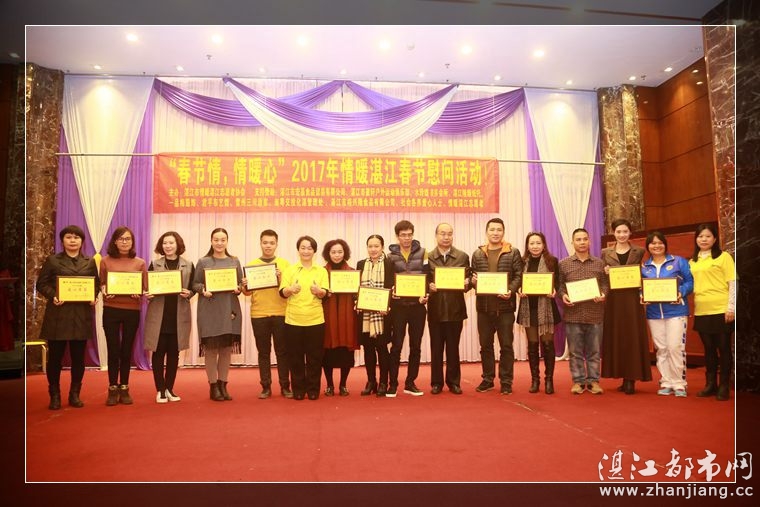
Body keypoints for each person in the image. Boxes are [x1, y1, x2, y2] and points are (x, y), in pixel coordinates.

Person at [36, 225, 99, 410]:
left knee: (79, 359)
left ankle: (74, 394)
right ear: (62, 240)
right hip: (58, 316)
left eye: (76, 237)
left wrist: (93, 296)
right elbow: (41, 284)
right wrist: (53, 295)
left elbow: (96, 284)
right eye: (69, 237)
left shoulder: (89, 262)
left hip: (81, 316)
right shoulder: (53, 260)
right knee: (55, 359)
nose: (72, 240)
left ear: (82, 241)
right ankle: (54, 395)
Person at [471, 217, 523, 395]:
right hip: (484, 308)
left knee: (506, 346)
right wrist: (473, 281)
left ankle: (506, 381)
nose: (495, 233)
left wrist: (511, 290)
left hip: (505, 308)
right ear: (486, 232)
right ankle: (488, 379)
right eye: (492, 229)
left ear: (503, 232)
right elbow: (473, 279)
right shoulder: (478, 254)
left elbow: (519, 275)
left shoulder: (512, 252)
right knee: (485, 346)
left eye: (499, 230)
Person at [600, 219, 652, 395]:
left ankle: (631, 379)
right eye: (618, 232)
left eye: (625, 231)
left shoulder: (640, 251)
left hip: (632, 299)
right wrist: (605, 272)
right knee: (617, 337)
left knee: (632, 336)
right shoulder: (605, 252)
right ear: (613, 233)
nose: (622, 235)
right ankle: (621, 375)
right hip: (614, 300)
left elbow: (646, 274)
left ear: (630, 233)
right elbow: (601, 278)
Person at [192, 228, 244, 402]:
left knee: (226, 350)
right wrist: (203, 290)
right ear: (211, 241)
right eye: (216, 239)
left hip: (229, 309)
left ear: (227, 241)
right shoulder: (203, 261)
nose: (219, 243)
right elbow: (195, 284)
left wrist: (239, 288)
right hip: (209, 309)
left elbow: (240, 285)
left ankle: (223, 385)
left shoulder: (234, 261)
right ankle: (213, 386)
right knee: (211, 350)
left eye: (223, 240)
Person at [143, 231, 195, 404]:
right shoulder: (154, 264)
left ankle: (169, 389)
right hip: (159, 315)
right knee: (158, 353)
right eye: (165, 243)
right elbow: (148, 287)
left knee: (174, 354)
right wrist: (148, 294)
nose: (168, 246)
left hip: (178, 316)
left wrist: (190, 293)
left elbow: (193, 287)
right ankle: (160, 390)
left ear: (178, 245)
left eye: (171, 243)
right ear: (161, 245)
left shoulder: (188, 265)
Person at [641, 231, 693, 397]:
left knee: (675, 347)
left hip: (676, 312)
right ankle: (666, 381)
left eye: (660, 242)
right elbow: (640, 287)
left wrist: (680, 292)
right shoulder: (644, 267)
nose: (656, 246)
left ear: (665, 244)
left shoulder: (678, 261)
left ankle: (679, 383)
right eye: (653, 243)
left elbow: (690, 282)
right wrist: (642, 295)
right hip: (654, 313)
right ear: (648, 246)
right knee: (661, 349)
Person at [242, 229, 293, 399]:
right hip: (259, 314)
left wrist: (280, 279)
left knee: (282, 352)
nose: (268, 246)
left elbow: (288, 290)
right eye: (265, 242)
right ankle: (265, 387)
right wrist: (245, 285)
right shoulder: (252, 265)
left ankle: (285, 386)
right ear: (260, 243)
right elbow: (247, 293)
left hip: (281, 313)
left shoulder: (285, 265)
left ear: (277, 244)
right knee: (263, 352)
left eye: (272, 243)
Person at [100, 226, 147, 406]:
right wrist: (104, 290)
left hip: (132, 310)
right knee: (113, 350)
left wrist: (139, 292)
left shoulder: (140, 263)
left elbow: (144, 287)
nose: (124, 242)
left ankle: (125, 387)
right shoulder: (105, 261)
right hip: (111, 309)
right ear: (115, 241)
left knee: (126, 350)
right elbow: (101, 283)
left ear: (132, 242)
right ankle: (112, 388)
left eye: (128, 239)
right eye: (121, 239)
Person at [558, 228, 609, 395]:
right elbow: (560, 286)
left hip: (595, 314)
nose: (582, 242)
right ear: (572, 242)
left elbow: (605, 284)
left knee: (594, 351)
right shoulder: (564, 264)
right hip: (573, 314)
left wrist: (603, 294)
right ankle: (578, 381)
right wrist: (564, 295)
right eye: (578, 239)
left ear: (589, 241)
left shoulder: (599, 263)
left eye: (585, 239)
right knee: (575, 352)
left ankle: (593, 381)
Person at [689, 223, 736, 401]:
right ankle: (710, 384)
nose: (704, 239)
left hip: (721, 309)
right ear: (696, 239)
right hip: (702, 310)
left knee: (723, 348)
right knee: (708, 349)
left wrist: (731, 307)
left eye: (708, 236)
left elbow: (733, 282)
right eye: (700, 236)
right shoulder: (692, 261)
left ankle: (724, 385)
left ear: (715, 239)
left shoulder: (724, 257)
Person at [279, 236, 329, 400]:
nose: (306, 251)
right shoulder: (290, 270)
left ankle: (313, 389)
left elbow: (325, 294)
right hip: (293, 320)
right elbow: (282, 292)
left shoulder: (321, 271)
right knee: (295, 357)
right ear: (298, 250)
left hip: (316, 320)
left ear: (314, 251)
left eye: (309, 248)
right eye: (303, 248)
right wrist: (290, 289)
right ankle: (299, 389)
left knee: (315, 357)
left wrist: (319, 291)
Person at [427, 223, 471, 395]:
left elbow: (468, 281)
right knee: (436, 348)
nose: (446, 237)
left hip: (455, 309)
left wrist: (467, 283)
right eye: (442, 233)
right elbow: (422, 280)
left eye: (449, 234)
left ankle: (453, 382)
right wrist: (428, 286)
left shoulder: (462, 256)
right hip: (435, 310)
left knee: (453, 348)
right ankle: (436, 382)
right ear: (436, 235)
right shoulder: (428, 257)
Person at [387, 220, 429, 398]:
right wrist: (392, 293)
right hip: (398, 308)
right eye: (403, 235)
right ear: (397, 236)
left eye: (409, 234)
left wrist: (426, 294)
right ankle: (392, 384)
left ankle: (410, 382)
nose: (406, 238)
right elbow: (388, 280)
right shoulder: (390, 256)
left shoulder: (423, 252)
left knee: (416, 346)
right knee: (396, 346)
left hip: (418, 307)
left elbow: (428, 276)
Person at [516, 231, 560, 394]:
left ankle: (549, 380)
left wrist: (555, 290)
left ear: (544, 245)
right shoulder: (521, 262)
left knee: (548, 345)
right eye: (532, 243)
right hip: (529, 309)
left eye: (538, 243)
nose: (535, 246)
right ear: (527, 246)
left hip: (546, 308)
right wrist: (519, 289)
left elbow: (558, 282)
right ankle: (535, 380)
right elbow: (517, 281)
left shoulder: (552, 261)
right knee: (533, 346)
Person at [356, 234, 394, 397]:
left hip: (382, 315)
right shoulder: (360, 264)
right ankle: (371, 381)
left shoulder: (389, 264)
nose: (373, 249)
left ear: (382, 247)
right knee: (368, 350)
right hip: (365, 315)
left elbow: (392, 287)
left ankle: (384, 382)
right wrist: (357, 301)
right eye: (370, 246)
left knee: (382, 349)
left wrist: (387, 305)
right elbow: (356, 287)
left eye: (376, 246)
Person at [321, 239, 359, 396]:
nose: (337, 255)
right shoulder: (321, 272)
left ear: (345, 253)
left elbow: (358, 295)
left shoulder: (353, 272)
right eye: (333, 252)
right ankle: (329, 385)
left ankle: (343, 384)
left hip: (347, 318)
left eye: (340, 252)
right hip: (327, 318)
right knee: (327, 352)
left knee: (345, 353)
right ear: (328, 254)